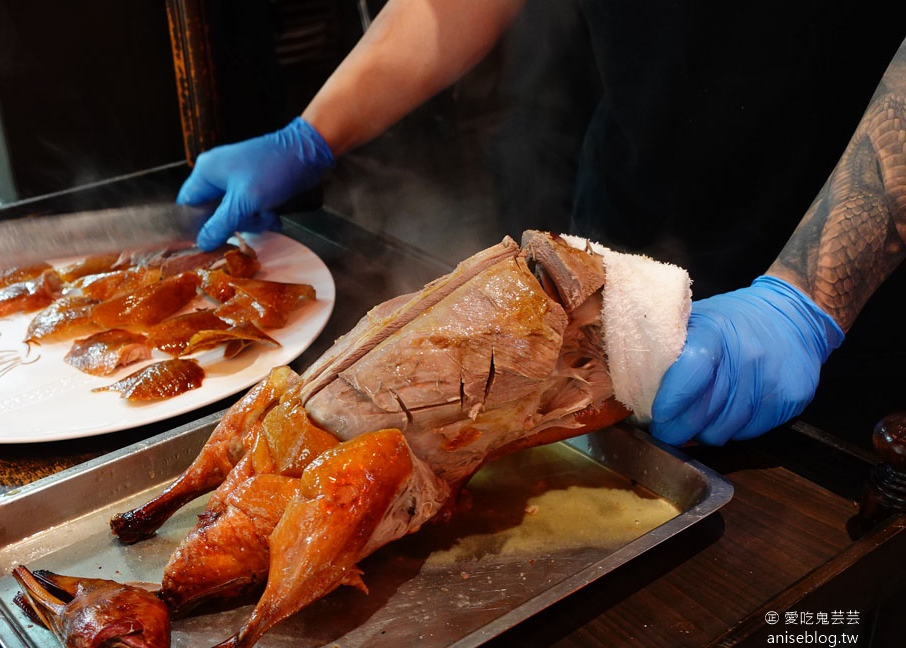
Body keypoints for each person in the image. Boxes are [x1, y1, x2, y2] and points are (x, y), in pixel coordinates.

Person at [175, 1, 906, 447]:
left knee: (815, 631)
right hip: (633, 234)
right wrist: (313, 134)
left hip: (848, 273)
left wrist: (806, 301)